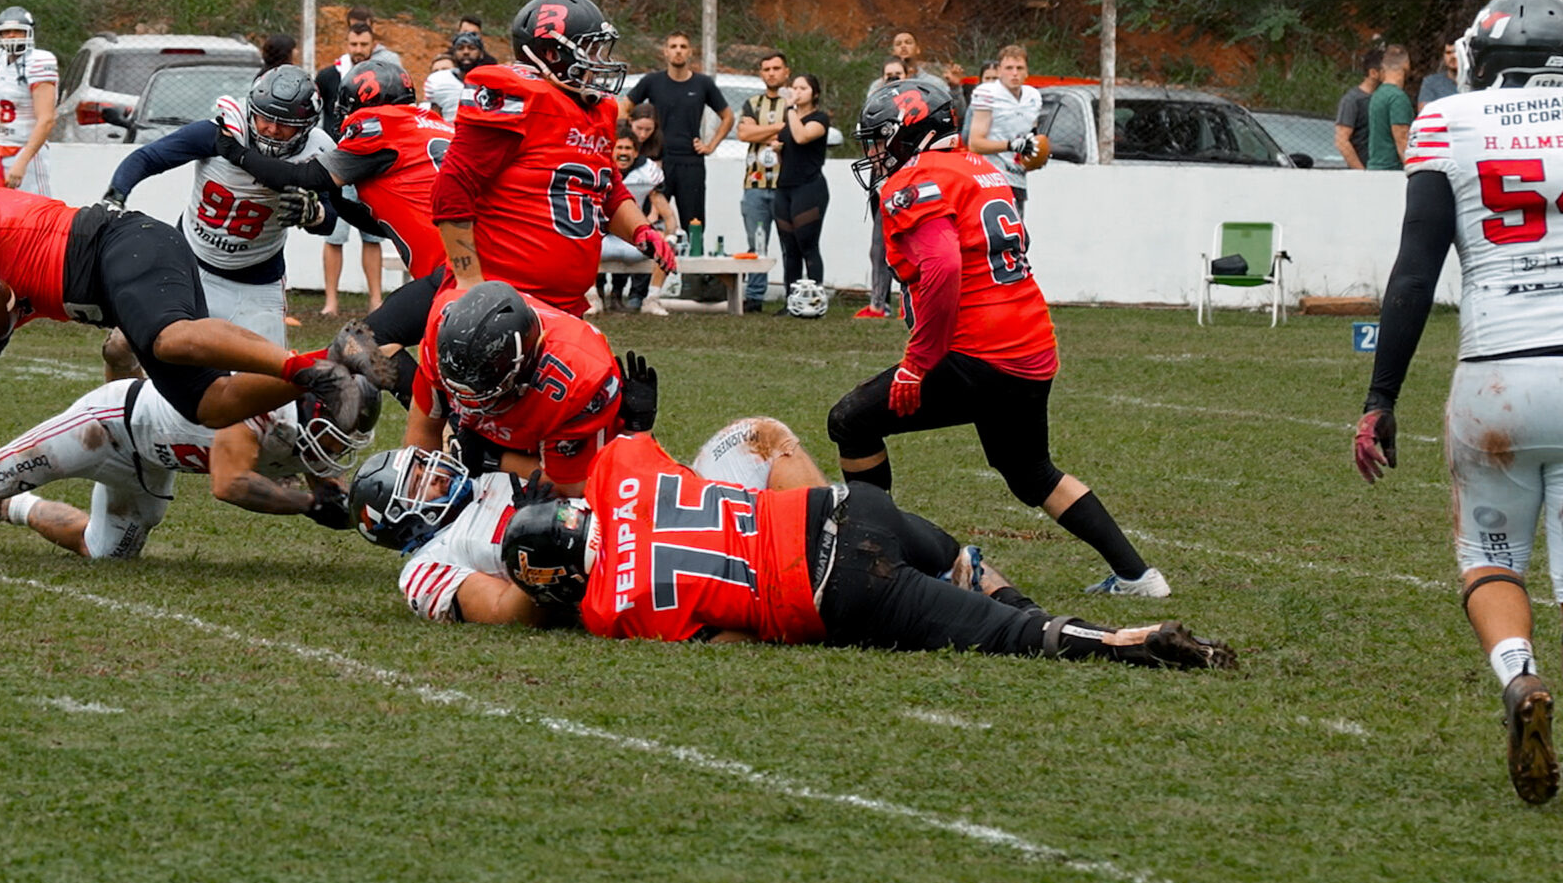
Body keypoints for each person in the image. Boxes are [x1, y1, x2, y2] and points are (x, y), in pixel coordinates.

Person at [0, 172, 370, 506]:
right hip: (124, 283)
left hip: (119, 246)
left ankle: (306, 371)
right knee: (209, 406)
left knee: (167, 339)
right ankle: (330, 362)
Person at [832, 78, 1168, 597]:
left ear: (912, 130)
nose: (875, 152)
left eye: (880, 138)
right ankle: (1137, 575)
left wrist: (917, 364)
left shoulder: (915, 179)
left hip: (980, 352)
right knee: (1030, 472)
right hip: (1031, 345)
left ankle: (875, 552)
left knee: (851, 421)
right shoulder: (982, 168)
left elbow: (943, 271)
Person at [495, 433, 1235, 667]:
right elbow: (649, 454)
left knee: (1013, 641)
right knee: (958, 566)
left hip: (834, 586)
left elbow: (722, 635)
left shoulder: (608, 607)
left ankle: (1126, 641)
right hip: (847, 505)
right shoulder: (620, 471)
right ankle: (1012, 596)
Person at [1353, 0, 1563, 804]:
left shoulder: (1451, 122)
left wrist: (1380, 398)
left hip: (1498, 375)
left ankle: (1518, 675)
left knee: (1489, 558)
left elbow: (1415, 271)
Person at [0, 335, 374, 558]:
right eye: (339, 422)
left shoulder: (312, 424)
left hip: (153, 461)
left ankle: (10, 507)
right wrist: (306, 504)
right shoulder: (260, 408)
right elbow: (230, 485)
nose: (341, 440)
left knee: (108, 555)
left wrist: (366, 512)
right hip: (105, 427)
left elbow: (328, 481)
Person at [365, 415, 826, 625]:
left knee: (758, 436)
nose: (435, 473)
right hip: (628, 571)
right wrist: (541, 555)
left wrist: (632, 426)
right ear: (399, 521)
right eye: (417, 480)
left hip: (654, 513)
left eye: (425, 466)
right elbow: (505, 614)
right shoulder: (426, 565)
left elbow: (585, 479)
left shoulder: (489, 474)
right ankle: (811, 584)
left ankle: (830, 532)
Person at [210, 55, 454, 399]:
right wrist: (335, 199)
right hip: (482, 262)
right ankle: (451, 421)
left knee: (360, 341)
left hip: (455, 273)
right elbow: (387, 225)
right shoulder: (433, 124)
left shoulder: (378, 125)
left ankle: (436, 414)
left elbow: (302, 176)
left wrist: (236, 153)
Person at [429, 0, 679, 314]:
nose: (598, 62)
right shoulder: (516, 95)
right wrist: (469, 280)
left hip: (564, 304)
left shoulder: (598, 109)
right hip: (505, 301)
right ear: (550, 53)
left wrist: (641, 230)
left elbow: (606, 187)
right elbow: (454, 185)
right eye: (589, 51)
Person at [103, 65, 333, 343]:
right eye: (264, 118)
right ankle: (123, 389)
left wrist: (313, 214)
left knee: (265, 381)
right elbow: (147, 158)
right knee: (122, 346)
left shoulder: (318, 151)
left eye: (284, 123)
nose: (271, 129)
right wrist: (115, 196)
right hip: (189, 265)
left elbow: (330, 220)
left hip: (257, 280)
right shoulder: (221, 134)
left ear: (305, 126)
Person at [406, 280, 635, 499]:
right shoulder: (444, 326)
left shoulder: (581, 375)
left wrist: (491, 459)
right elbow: (423, 434)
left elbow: (572, 486)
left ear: (523, 364)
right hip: (480, 434)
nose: (471, 403)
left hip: (549, 454)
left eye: (482, 394)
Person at [623, 31, 733, 250]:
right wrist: (638, 141)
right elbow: (623, 109)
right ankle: (645, 282)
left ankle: (693, 281)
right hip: (656, 162)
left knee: (694, 224)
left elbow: (728, 116)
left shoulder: (703, 84)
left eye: (683, 46)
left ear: (690, 52)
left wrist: (710, 145)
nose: (678, 51)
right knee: (648, 220)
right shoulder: (652, 81)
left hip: (690, 162)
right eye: (673, 46)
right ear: (666, 52)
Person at [318, 10, 395, 315]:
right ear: (346, 42)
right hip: (339, 161)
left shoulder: (384, 75)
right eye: (353, 43)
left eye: (364, 44)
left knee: (372, 235)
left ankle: (375, 300)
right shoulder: (329, 76)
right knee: (333, 236)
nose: (358, 49)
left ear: (373, 44)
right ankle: (330, 302)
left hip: (371, 165)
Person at [0, 6, 56, 194]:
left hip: (27, 153)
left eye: (18, 31)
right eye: (6, 32)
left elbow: (46, 119)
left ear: (29, 33)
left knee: (34, 216)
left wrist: (22, 161)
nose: (11, 36)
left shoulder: (38, 62)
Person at [857, 42, 917, 319]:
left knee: (913, 244)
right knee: (880, 243)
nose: (892, 80)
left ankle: (911, 301)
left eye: (898, 75)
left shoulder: (919, 106)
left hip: (911, 177)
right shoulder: (876, 104)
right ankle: (878, 303)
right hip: (882, 175)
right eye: (888, 75)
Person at [732, 50, 792, 312]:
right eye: (766, 69)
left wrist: (761, 132)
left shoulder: (793, 101)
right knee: (756, 243)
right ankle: (754, 297)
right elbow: (744, 132)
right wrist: (780, 127)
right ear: (761, 73)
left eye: (776, 68)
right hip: (754, 185)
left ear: (786, 72)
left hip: (786, 185)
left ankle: (794, 295)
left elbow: (796, 131)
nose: (771, 73)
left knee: (790, 242)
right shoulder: (752, 103)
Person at [775, 72, 832, 317]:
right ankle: (792, 302)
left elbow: (802, 136)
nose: (796, 92)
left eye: (802, 88)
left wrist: (789, 108)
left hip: (809, 188)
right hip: (785, 187)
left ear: (814, 94)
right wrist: (778, 149)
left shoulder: (819, 118)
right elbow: (788, 151)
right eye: (794, 88)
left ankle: (815, 302)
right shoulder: (790, 118)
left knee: (807, 244)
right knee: (789, 249)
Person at [597, 129, 674, 311]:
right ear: (611, 150)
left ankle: (652, 299)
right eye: (619, 148)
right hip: (603, 237)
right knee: (580, 238)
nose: (623, 153)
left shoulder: (647, 171)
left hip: (633, 236)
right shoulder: (599, 167)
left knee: (666, 242)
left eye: (628, 148)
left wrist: (670, 234)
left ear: (636, 152)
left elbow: (667, 212)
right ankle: (593, 298)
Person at [967, 44, 1046, 213]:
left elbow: (1032, 136)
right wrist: (1009, 145)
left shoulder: (1033, 97)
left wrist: (1037, 154)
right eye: (1009, 68)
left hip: (1017, 179)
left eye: (1019, 68)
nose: (1015, 73)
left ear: (1027, 72)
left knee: (1016, 235)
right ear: (1000, 71)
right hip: (990, 179)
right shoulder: (987, 93)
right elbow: (975, 144)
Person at [1367, 44, 1415, 169]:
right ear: (1406, 64)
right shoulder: (1397, 97)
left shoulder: (1377, 94)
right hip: (1392, 169)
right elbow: (1402, 138)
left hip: (1376, 166)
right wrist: (1413, 170)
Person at [1335, 47, 1384, 169]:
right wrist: (1362, 173)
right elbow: (1342, 141)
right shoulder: (1352, 100)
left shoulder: (1387, 98)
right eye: (1387, 70)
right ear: (1373, 73)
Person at [1419, 39, 1462, 106]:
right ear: (1443, 56)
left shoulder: (1477, 82)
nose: (1453, 56)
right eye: (1448, 53)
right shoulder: (1431, 83)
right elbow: (1425, 112)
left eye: (1456, 52)